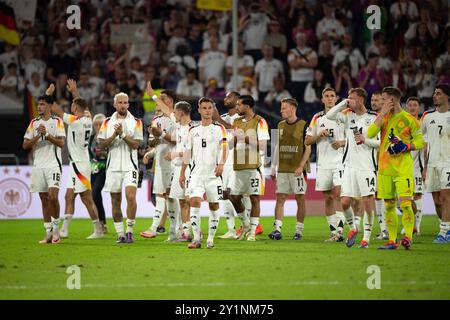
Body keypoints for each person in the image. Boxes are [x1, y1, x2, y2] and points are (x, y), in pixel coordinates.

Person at [367, 87, 424, 250]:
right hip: (385, 169)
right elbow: (370, 133)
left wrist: (406, 146)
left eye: (384, 99)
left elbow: (420, 142)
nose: (381, 102)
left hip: (403, 169)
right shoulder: (383, 118)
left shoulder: (410, 119)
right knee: (389, 205)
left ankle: (407, 237)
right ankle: (392, 241)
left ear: (392, 100)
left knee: (406, 204)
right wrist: (382, 113)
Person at [326, 88, 379, 249]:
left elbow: (382, 143)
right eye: (348, 98)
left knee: (368, 202)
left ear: (362, 100)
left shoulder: (374, 118)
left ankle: (366, 238)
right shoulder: (347, 115)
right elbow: (329, 115)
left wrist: (366, 140)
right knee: (344, 202)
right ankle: (353, 228)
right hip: (348, 167)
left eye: (352, 98)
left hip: (367, 167)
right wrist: (343, 103)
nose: (349, 101)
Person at [50, 80, 103, 239]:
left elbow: (55, 109)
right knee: (68, 196)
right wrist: (75, 91)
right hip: (77, 163)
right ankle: (65, 229)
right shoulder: (87, 118)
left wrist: (49, 94)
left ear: (75, 109)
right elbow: (83, 105)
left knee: (86, 197)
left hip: (80, 165)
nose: (70, 107)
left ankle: (98, 229)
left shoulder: (74, 121)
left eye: (72, 106)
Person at [179, 97, 228, 249]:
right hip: (196, 175)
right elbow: (187, 153)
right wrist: (182, 173)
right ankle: (196, 239)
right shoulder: (192, 130)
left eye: (210, 108)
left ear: (213, 110)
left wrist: (221, 163)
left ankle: (211, 239)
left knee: (214, 205)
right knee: (194, 201)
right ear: (199, 110)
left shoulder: (219, 128)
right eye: (204, 108)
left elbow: (225, 148)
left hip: (214, 175)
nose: (207, 111)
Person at [98, 92, 143, 243]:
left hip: (130, 166)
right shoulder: (106, 122)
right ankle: (120, 234)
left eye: (125, 102)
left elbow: (136, 144)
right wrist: (113, 135)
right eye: (120, 103)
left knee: (131, 197)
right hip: (113, 167)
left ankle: (129, 231)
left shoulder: (136, 122)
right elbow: (101, 145)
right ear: (114, 104)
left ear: (128, 104)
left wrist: (122, 135)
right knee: (115, 200)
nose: (123, 105)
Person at [23, 89, 65, 244]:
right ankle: (48, 233)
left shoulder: (57, 122)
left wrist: (47, 135)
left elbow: (61, 143)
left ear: (49, 106)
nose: (39, 107)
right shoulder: (34, 123)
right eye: (38, 104)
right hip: (38, 165)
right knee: (43, 198)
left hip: (53, 164)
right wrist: (37, 136)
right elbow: (25, 145)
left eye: (42, 104)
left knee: (53, 196)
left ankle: (56, 230)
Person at [305, 87, 346, 242]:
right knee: (327, 198)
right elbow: (307, 141)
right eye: (326, 96)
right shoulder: (317, 118)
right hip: (323, 165)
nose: (329, 99)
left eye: (332, 96)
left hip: (340, 163)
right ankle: (333, 231)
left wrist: (341, 143)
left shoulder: (343, 116)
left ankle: (341, 230)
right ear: (322, 99)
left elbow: (354, 138)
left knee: (338, 195)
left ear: (336, 99)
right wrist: (318, 135)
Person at [269, 98, 311, 240]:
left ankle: (299, 231)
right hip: (283, 169)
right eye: (281, 108)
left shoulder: (304, 125)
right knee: (280, 197)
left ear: (292, 109)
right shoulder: (280, 125)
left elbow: (308, 149)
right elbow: (277, 146)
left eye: (284, 108)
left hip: (297, 170)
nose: (281, 111)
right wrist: (273, 166)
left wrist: (301, 166)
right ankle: (277, 229)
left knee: (300, 199)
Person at [230, 95, 270, 241]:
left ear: (247, 106)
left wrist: (244, 137)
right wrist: (233, 139)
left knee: (254, 198)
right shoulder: (236, 121)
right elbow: (231, 144)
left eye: (239, 105)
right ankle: (245, 224)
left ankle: (252, 231)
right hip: (238, 165)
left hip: (254, 166)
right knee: (234, 197)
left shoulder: (260, 121)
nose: (237, 107)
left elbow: (263, 145)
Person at [140, 91, 176, 239]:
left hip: (176, 162)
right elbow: (152, 143)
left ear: (171, 101)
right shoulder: (156, 119)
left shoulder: (177, 117)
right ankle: (155, 228)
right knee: (161, 195)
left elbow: (177, 140)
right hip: (161, 163)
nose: (159, 101)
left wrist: (160, 134)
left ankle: (177, 229)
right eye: (158, 99)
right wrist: (153, 138)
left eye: (163, 99)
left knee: (174, 197)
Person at [420, 85, 450, 244]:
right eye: (434, 93)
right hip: (432, 164)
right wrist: (424, 167)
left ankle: (445, 231)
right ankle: (445, 226)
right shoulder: (427, 117)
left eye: (438, 93)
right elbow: (421, 141)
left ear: (447, 97)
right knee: (437, 200)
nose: (434, 96)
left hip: (448, 163)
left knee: (446, 196)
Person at [370, 91, 389, 240]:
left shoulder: (387, 120)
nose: (374, 102)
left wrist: (365, 140)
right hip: (373, 165)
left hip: (388, 164)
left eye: (377, 100)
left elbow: (384, 143)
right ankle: (384, 230)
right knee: (378, 197)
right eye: (372, 100)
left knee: (391, 198)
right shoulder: (370, 119)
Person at [405, 97, 425, 235]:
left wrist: (425, 168)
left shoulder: (422, 125)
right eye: (410, 105)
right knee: (403, 198)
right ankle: (410, 222)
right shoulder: (403, 124)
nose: (412, 107)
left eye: (415, 105)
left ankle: (416, 226)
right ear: (406, 107)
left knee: (417, 195)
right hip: (402, 167)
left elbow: (425, 148)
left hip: (417, 167)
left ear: (419, 108)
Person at [89, 113, 108, 232]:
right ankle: (102, 224)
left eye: (100, 124)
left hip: (104, 168)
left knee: (95, 193)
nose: (98, 126)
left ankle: (102, 223)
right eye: (96, 124)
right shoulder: (91, 138)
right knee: (95, 196)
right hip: (92, 169)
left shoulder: (107, 137)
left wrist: (102, 153)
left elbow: (110, 152)